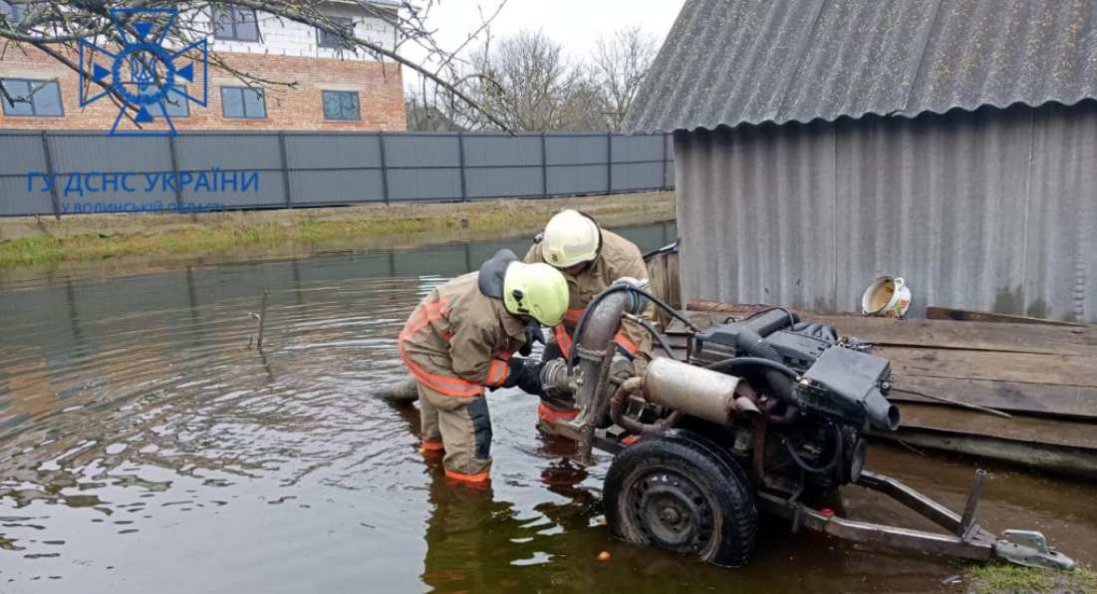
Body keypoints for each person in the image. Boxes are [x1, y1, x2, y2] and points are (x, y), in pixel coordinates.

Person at [398, 249, 569, 486]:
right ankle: (467, 487)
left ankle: (433, 461)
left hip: (441, 340)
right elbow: (472, 369)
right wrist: (518, 373)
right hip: (429, 352)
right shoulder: (480, 319)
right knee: (469, 414)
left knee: (438, 417)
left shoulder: (513, 285)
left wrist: (526, 327)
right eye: (533, 319)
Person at [524, 209, 655, 427]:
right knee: (552, 392)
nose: (568, 271)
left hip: (621, 335)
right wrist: (527, 322)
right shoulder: (541, 254)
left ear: (591, 254)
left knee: (630, 394)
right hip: (567, 335)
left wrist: (618, 356)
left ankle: (629, 438)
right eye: (562, 267)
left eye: (573, 266)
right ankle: (558, 436)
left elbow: (643, 313)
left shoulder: (622, 258)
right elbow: (524, 290)